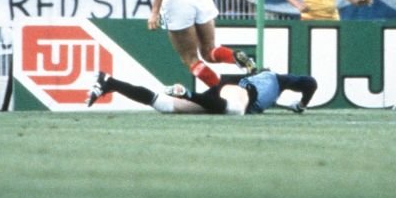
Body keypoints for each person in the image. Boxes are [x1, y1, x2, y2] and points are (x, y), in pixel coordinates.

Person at [86, 69, 317, 115]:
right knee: (235, 110)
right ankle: (187, 93)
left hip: (223, 93)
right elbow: (310, 82)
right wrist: (302, 105)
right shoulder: (276, 79)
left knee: (165, 106)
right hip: (236, 91)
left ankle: (110, 82)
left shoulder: (268, 86)